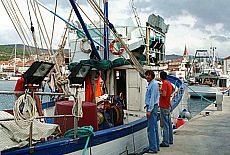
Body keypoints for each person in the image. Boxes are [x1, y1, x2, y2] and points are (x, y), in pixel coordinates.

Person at [141, 70, 160, 154]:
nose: (147, 77)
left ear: (152, 76)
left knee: (151, 129)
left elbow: (152, 99)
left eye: (149, 75)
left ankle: (153, 148)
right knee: (154, 127)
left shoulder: (153, 85)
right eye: (146, 75)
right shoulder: (152, 84)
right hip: (153, 108)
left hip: (151, 108)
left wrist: (149, 110)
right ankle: (156, 146)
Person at [159, 71, 173, 147]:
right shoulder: (169, 83)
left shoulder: (164, 84)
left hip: (164, 106)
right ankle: (170, 139)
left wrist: (159, 91)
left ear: (160, 77)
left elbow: (164, 94)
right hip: (168, 105)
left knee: (165, 125)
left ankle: (165, 142)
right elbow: (172, 89)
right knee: (169, 123)